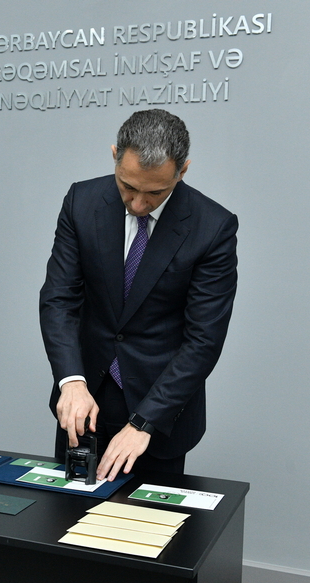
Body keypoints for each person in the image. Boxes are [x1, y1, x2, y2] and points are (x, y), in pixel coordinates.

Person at [39, 109, 237, 480]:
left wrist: (144, 422)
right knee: (66, 514)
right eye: (127, 186)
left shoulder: (213, 227)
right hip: (83, 398)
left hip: (159, 410)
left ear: (183, 170)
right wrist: (71, 381)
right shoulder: (82, 201)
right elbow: (58, 300)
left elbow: (203, 340)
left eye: (155, 193)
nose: (138, 204)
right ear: (115, 156)